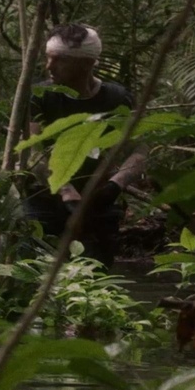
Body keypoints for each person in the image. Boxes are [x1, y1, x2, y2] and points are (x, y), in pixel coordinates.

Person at [26, 24, 147, 268]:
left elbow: (140, 150)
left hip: (97, 206)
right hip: (46, 204)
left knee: (97, 283)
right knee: (37, 277)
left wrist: (115, 185)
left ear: (86, 63)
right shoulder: (41, 96)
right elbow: (33, 152)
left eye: (60, 60)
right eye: (48, 58)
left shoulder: (117, 98)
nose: (49, 67)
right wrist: (66, 190)